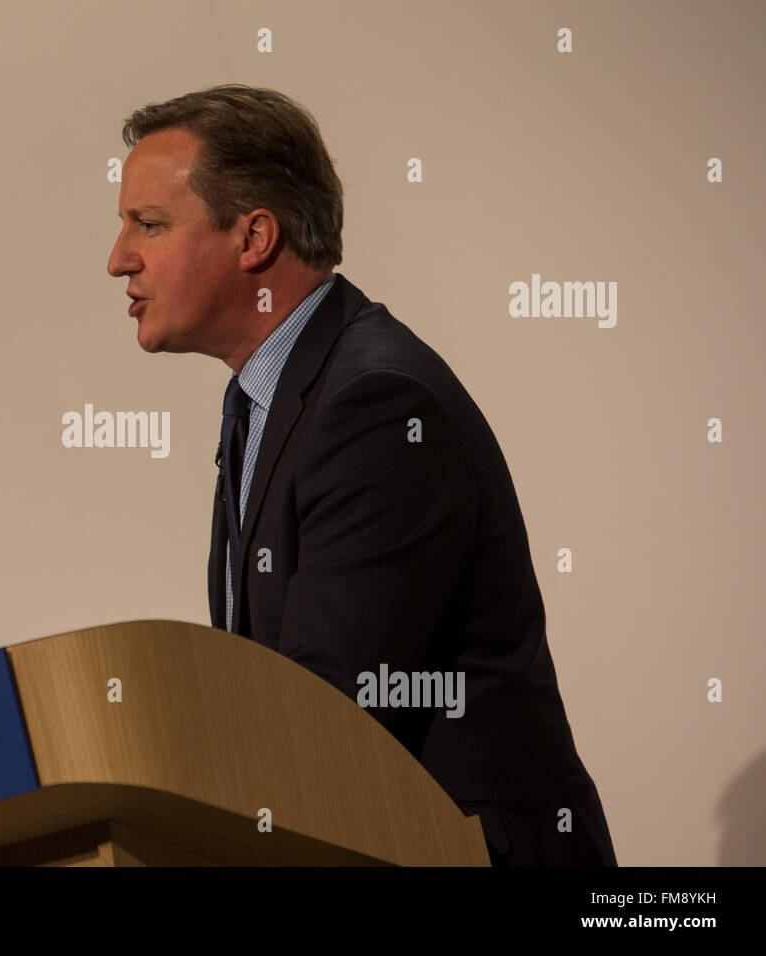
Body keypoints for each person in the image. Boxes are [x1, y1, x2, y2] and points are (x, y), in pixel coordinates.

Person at [107, 84, 617, 867]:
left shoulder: (375, 405)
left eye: (149, 225)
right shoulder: (266, 400)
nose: (118, 260)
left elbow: (323, 721)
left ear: (254, 239)